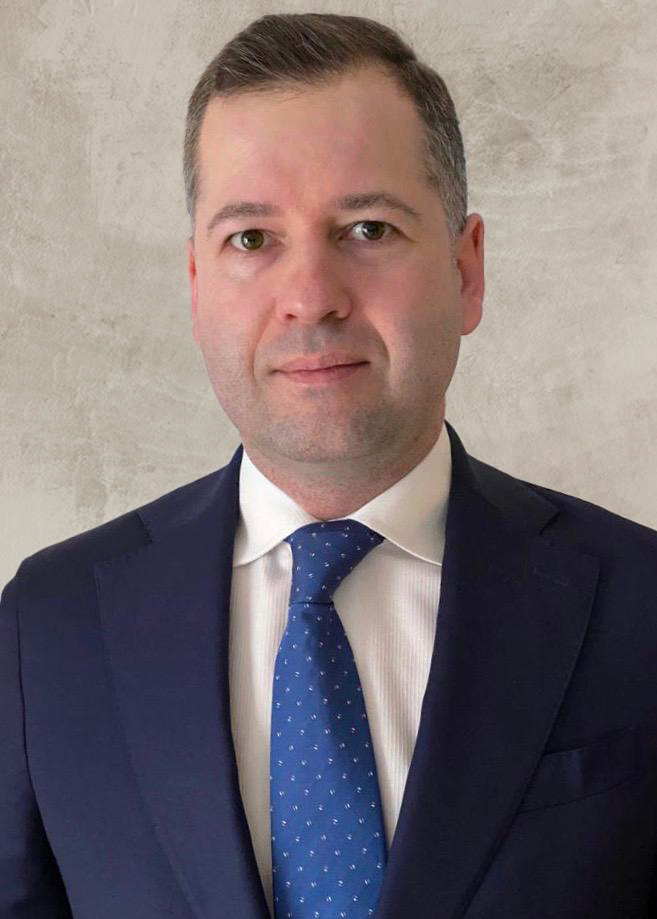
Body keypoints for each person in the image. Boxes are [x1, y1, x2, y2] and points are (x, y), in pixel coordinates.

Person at [1, 11, 657, 919]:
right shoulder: (49, 626)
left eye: (367, 229)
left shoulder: (639, 603)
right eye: (250, 239)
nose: (309, 297)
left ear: (465, 270)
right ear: (195, 285)